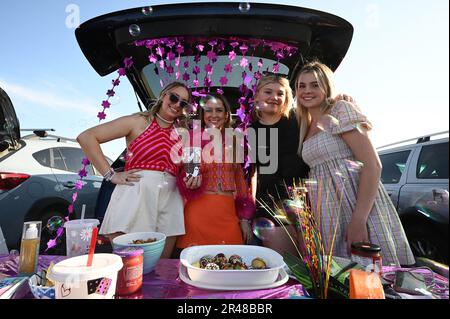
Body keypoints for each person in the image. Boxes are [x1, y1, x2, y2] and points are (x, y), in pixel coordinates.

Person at [295, 61, 415, 266]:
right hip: (327, 210)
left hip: (354, 202)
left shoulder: (341, 109)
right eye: (301, 86)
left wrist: (359, 220)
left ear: (327, 87)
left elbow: (372, 164)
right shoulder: (304, 124)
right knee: (341, 276)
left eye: (315, 85)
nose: (307, 91)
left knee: (371, 274)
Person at [77, 82, 200, 259]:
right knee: (129, 266)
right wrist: (110, 175)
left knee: (159, 269)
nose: (176, 104)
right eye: (173, 97)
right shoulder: (138, 121)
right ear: (164, 95)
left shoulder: (185, 134)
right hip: (134, 196)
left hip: (170, 201)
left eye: (183, 103)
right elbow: (87, 137)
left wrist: (194, 176)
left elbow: (193, 168)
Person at [176, 94, 255, 250]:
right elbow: (189, 173)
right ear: (202, 115)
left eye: (219, 110)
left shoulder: (234, 141)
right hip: (198, 213)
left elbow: (240, 183)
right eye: (208, 110)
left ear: (226, 115)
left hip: (227, 213)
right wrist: (191, 179)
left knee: (232, 263)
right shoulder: (193, 139)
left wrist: (244, 219)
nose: (213, 115)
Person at [250, 75, 309, 256]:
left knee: (313, 270)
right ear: (257, 95)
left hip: (304, 205)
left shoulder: (298, 122)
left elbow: (323, 108)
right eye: (268, 92)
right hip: (270, 209)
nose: (274, 97)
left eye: (280, 93)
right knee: (287, 267)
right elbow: (248, 173)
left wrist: (340, 101)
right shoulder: (249, 130)